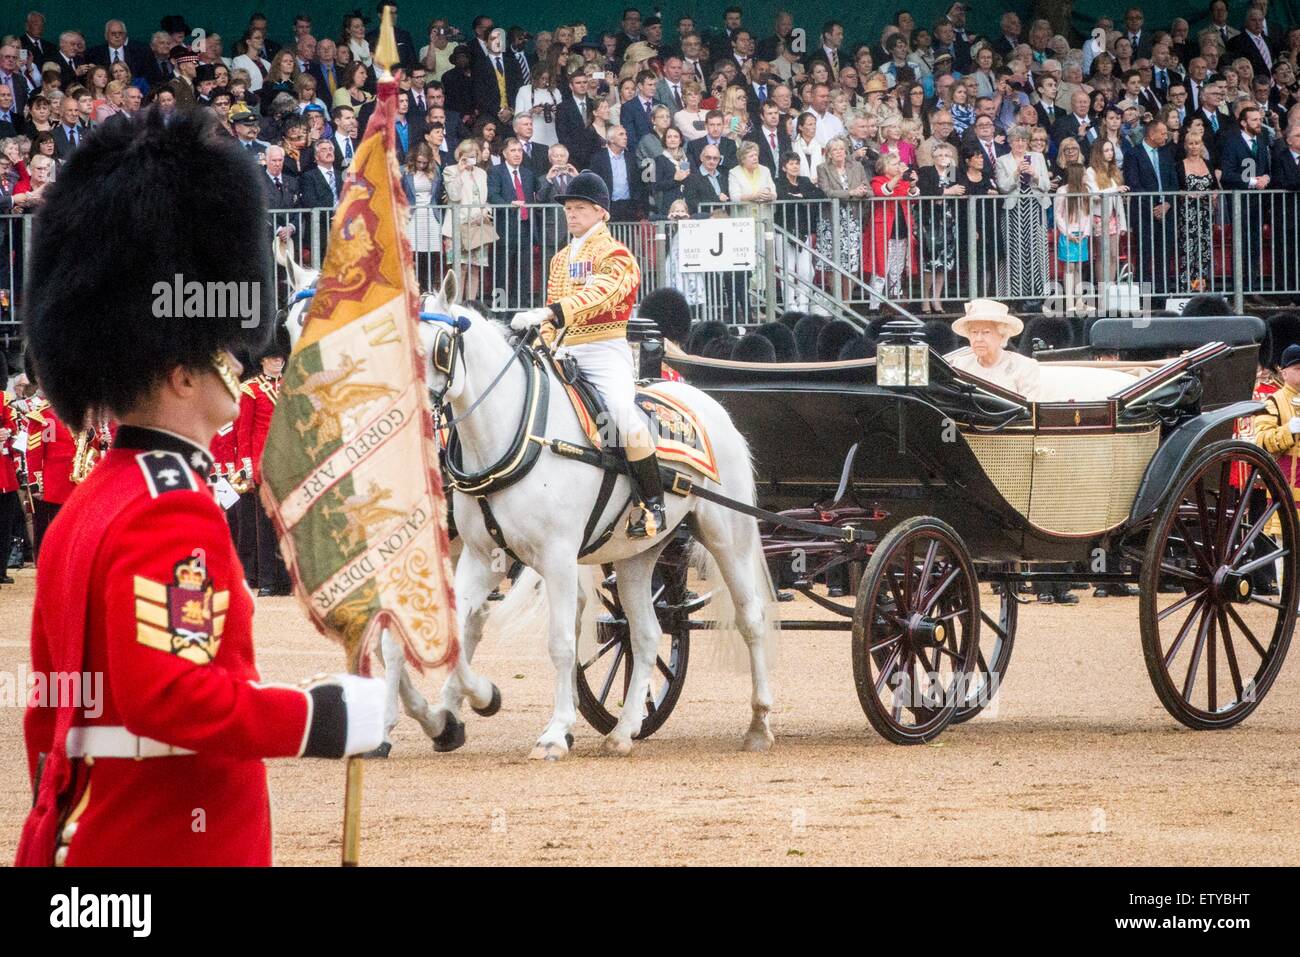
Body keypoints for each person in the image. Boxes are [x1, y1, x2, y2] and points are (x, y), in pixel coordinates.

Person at [15, 110, 385, 868]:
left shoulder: (91, 503)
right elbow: (173, 697)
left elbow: (45, 716)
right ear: (182, 371)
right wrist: (323, 718)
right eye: (225, 349)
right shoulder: (170, 508)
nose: (241, 363)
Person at [510, 171, 664, 537]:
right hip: (561, 351)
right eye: (569, 208)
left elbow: (601, 294)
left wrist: (550, 313)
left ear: (601, 213)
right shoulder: (560, 259)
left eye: (580, 208)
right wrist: (542, 337)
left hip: (604, 350)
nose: (572, 214)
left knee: (622, 418)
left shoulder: (617, 255)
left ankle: (651, 501)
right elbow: (551, 308)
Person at [995, 125, 1051, 307]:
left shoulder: (1037, 157)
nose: (1020, 143)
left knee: (1037, 250)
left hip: (1035, 207)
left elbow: (1046, 186)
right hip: (1014, 210)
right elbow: (1003, 187)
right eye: (1016, 140)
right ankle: (1017, 294)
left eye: (1023, 140)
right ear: (1010, 142)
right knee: (1016, 251)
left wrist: (1034, 174)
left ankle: (1038, 293)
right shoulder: (1002, 160)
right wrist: (1016, 173)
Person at [946, 298, 1040, 397]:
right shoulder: (960, 365)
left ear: (1002, 336)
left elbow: (1030, 410)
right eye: (974, 332)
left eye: (986, 332)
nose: (978, 339)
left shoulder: (1024, 367)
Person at [1253, 344, 1300, 539]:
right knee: (1287, 557)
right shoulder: (1274, 402)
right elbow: (1262, 441)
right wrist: (1288, 431)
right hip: (1288, 491)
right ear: (1283, 372)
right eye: (1298, 369)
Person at [441, 137, 495, 300]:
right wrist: (460, 170)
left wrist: (485, 212)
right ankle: (456, 304)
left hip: (478, 226)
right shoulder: (450, 170)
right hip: (458, 226)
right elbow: (454, 196)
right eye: (467, 155)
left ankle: (471, 305)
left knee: (476, 268)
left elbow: (483, 199)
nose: (471, 158)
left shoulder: (482, 173)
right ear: (460, 155)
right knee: (460, 267)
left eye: (474, 155)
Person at [916, 141, 964, 313]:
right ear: (933, 157)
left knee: (945, 262)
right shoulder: (926, 171)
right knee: (930, 262)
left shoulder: (952, 172)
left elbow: (961, 189)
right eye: (940, 155)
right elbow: (926, 190)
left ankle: (937, 299)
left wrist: (945, 192)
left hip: (949, 221)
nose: (944, 158)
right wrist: (946, 192)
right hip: (930, 221)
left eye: (947, 155)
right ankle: (925, 299)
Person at [868, 152, 916, 305]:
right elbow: (883, 191)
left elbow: (913, 195)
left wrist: (913, 184)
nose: (898, 166)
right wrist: (899, 176)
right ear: (885, 167)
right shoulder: (877, 180)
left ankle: (895, 302)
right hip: (884, 230)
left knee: (897, 268)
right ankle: (874, 305)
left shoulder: (903, 182)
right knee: (881, 267)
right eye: (895, 164)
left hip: (901, 229)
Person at [1085, 138, 1130, 285]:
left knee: (1113, 255)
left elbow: (1118, 201)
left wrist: (1123, 223)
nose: (1110, 153)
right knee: (1102, 256)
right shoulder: (1091, 171)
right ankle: (1102, 288)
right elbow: (1095, 195)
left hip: (1114, 217)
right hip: (1100, 217)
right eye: (1106, 150)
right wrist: (1114, 189)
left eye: (1111, 150)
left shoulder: (1113, 171)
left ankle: (1111, 286)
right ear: (1099, 153)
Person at [1176, 126, 1216, 292]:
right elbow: (1175, 189)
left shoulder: (1208, 164)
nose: (1194, 146)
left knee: (1204, 252)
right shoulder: (1179, 165)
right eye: (1190, 143)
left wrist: (1215, 193)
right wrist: (1187, 195)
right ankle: (1186, 288)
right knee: (1188, 252)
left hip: (1206, 214)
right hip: (1187, 214)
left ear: (1202, 145)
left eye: (1197, 143)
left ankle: (1199, 288)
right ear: (1185, 145)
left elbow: (1214, 185)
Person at [1054, 162, 1092, 316]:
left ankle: (1079, 301)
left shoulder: (1086, 190)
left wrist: (1086, 232)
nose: (1086, 176)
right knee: (1069, 267)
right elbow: (1058, 214)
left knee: (1078, 268)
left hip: (1081, 234)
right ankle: (1069, 301)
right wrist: (1066, 232)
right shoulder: (1063, 191)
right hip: (1068, 234)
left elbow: (1088, 215)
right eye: (1083, 174)